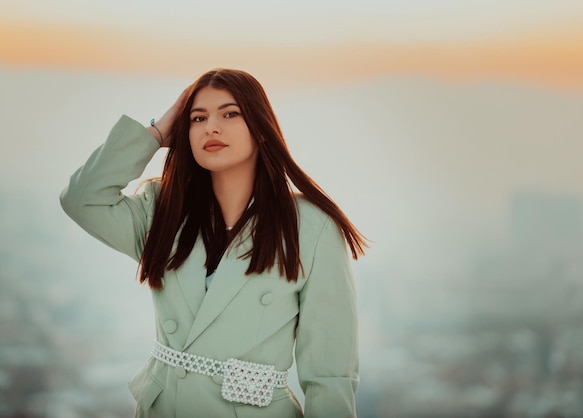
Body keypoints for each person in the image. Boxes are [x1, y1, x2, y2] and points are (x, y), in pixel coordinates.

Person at [60, 68, 366, 417]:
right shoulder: (162, 210)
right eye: (197, 118)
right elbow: (81, 199)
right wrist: (157, 132)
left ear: (262, 128)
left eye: (230, 113)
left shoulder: (311, 228)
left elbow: (330, 376)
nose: (211, 127)